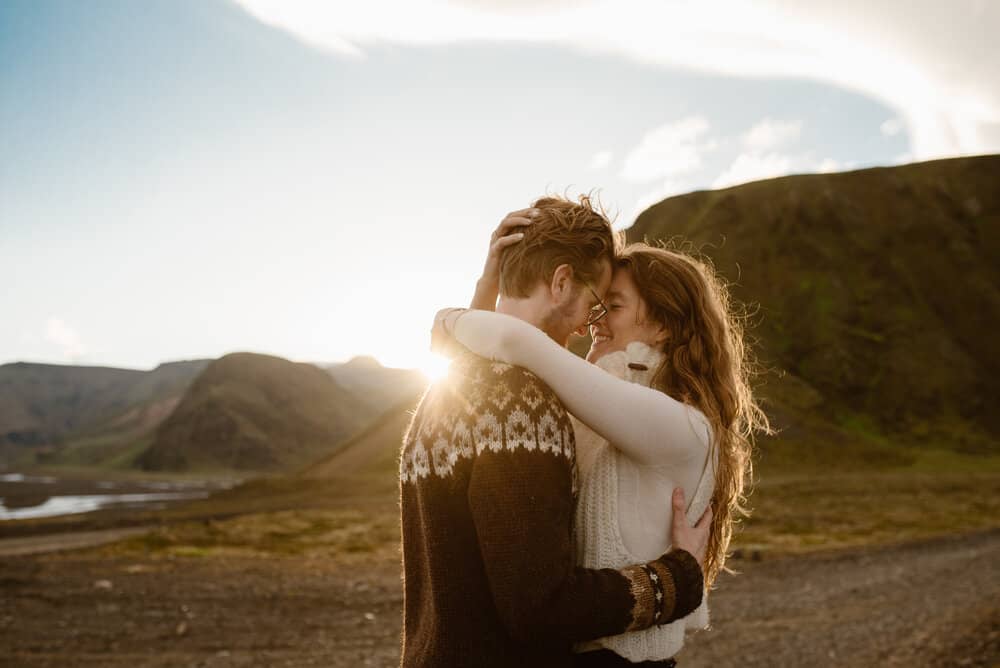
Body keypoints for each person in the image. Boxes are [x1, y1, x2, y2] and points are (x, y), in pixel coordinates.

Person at [430, 209, 772, 666]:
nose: (594, 321)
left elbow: (517, 343)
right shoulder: (602, 412)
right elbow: (481, 372)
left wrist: (450, 317)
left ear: (664, 325)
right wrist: (487, 290)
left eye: (612, 306)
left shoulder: (680, 424)